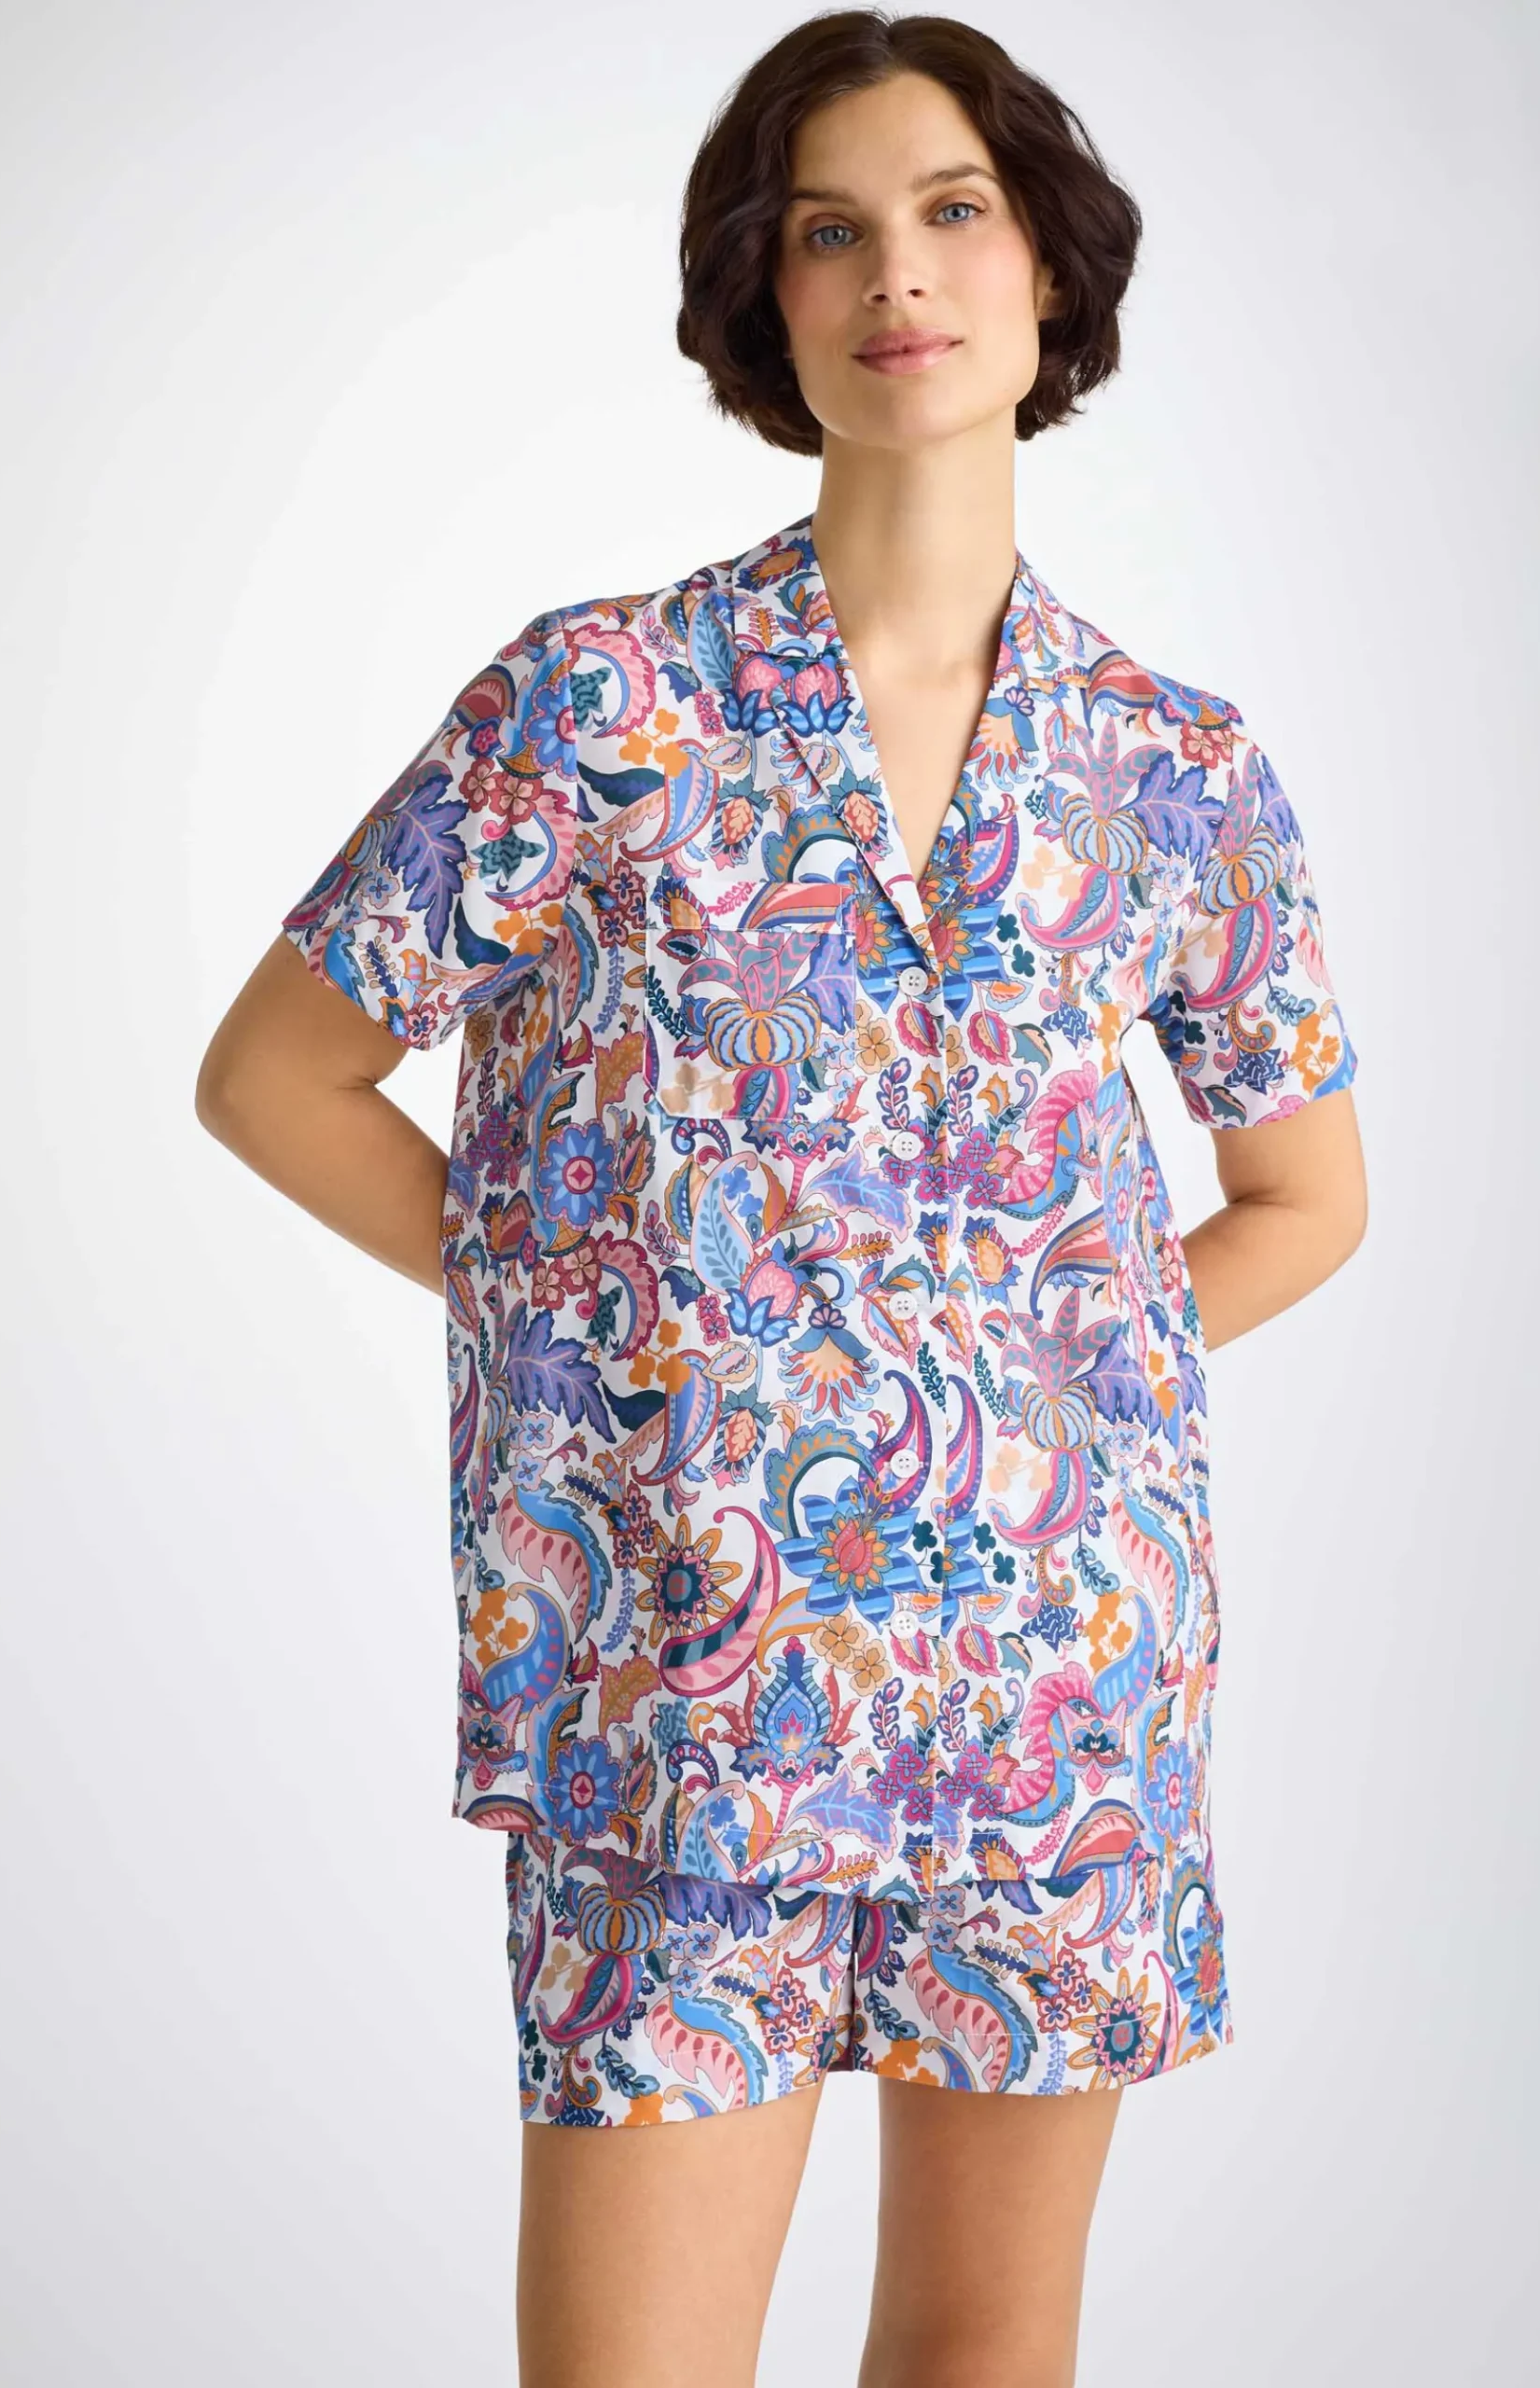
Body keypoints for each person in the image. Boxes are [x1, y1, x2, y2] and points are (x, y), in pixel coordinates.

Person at [197, 12, 1367, 2385]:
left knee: (979, 2354)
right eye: (826, 230)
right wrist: (626, 1334)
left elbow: (1297, 1197)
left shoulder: (1172, 770)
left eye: (952, 212)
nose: (894, 274)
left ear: (1047, 270)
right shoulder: (596, 708)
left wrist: (1029, 1369)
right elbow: (277, 1075)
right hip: (683, 1683)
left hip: (1056, 1692)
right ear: (764, 294)